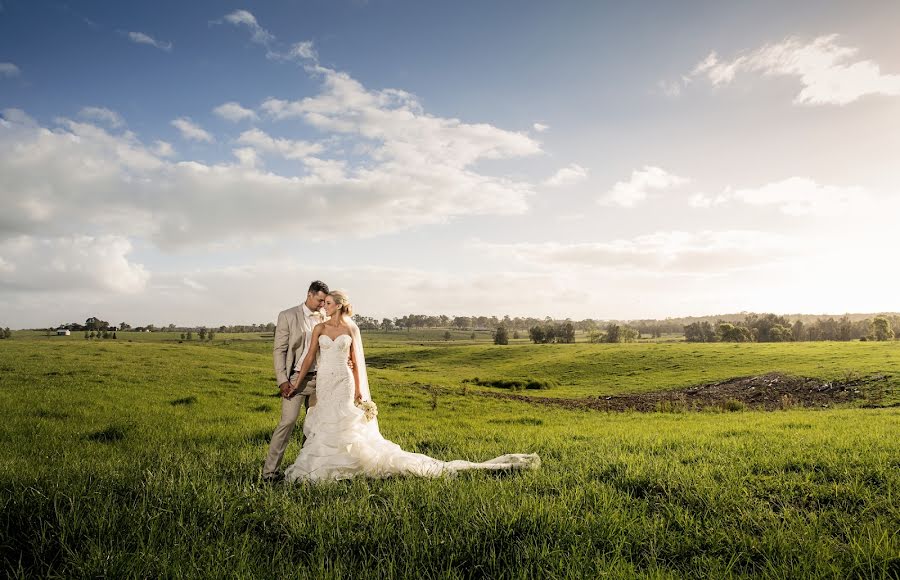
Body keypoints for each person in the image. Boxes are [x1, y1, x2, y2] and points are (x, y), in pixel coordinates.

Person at [283, 290, 540, 483]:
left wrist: (361, 391)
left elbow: (356, 362)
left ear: (338, 305)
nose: (323, 307)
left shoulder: (351, 328)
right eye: (323, 303)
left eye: (328, 303)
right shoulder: (319, 327)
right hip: (326, 380)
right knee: (326, 419)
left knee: (345, 421)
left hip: (344, 380)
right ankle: (323, 465)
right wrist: (296, 382)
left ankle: (349, 464)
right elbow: (307, 357)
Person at [262, 280, 329, 481]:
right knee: (287, 422)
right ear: (309, 295)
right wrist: (282, 380)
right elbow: (279, 350)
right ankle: (269, 472)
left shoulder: (326, 317)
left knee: (314, 427)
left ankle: (306, 471)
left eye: (325, 301)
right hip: (295, 380)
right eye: (319, 300)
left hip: (321, 380)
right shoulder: (288, 316)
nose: (322, 305)